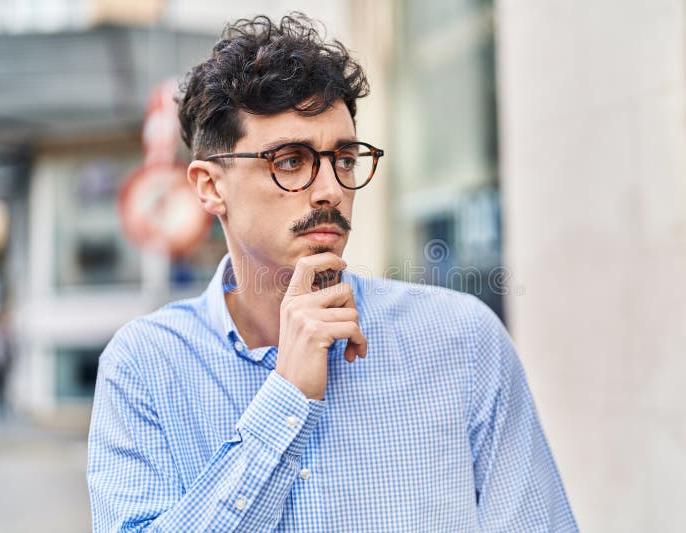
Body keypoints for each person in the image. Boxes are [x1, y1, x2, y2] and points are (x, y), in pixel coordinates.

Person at [87, 13, 577, 532]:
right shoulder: (145, 365)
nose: (330, 189)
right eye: (291, 161)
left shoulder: (459, 339)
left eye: (344, 158)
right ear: (210, 186)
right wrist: (287, 397)